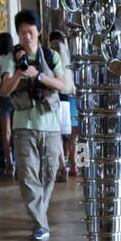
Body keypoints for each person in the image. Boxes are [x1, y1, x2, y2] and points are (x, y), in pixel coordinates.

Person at [0, 9, 66, 241]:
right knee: (27, 175)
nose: (26, 37)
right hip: (23, 125)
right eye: (21, 33)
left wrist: (37, 75)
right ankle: (40, 224)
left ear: (38, 31)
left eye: (30, 32)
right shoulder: (11, 58)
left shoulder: (51, 56)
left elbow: (61, 85)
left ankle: (39, 215)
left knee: (49, 173)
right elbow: (5, 90)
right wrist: (20, 72)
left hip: (50, 125)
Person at [48, 31, 77, 179]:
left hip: (56, 100)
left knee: (58, 137)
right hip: (72, 102)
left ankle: (63, 165)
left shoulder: (50, 60)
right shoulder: (69, 62)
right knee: (76, 138)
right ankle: (78, 165)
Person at [0, 32, 15, 173]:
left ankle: (9, 162)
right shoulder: (13, 58)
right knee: (16, 130)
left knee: (6, 132)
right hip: (16, 96)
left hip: (2, 97)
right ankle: (19, 160)